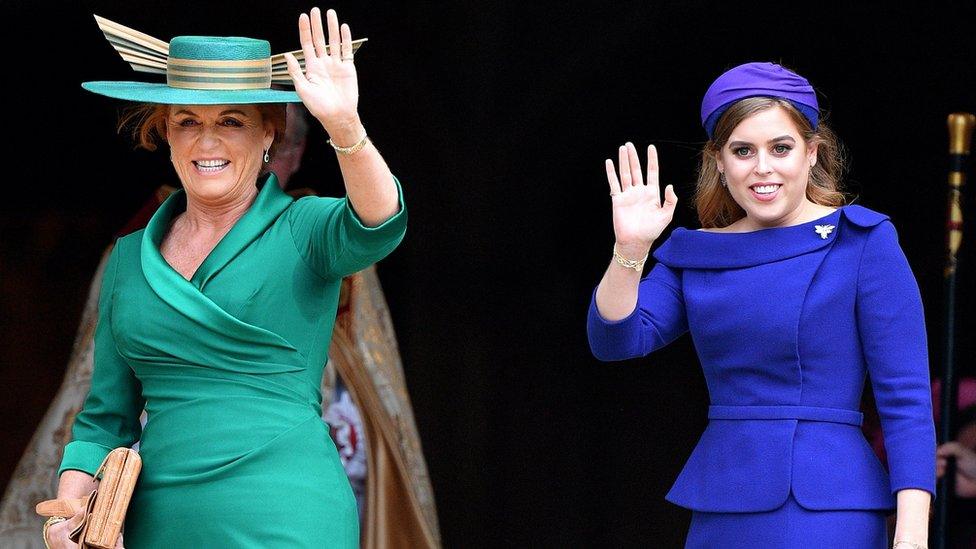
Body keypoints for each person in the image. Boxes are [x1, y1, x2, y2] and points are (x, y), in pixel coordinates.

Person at [44, 7, 406, 548]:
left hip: (289, 513)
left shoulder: (303, 229)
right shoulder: (128, 259)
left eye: (230, 121)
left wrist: (345, 127)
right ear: (166, 135)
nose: (206, 140)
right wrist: (66, 518)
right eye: (188, 120)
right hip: (161, 522)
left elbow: (379, 222)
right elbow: (103, 420)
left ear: (268, 137)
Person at [587, 61, 936, 548]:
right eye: (743, 150)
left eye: (781, 148)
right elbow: (615, 340)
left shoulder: (862, 242)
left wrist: (913, 533)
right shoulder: (698, 251)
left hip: (828, 507)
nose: (763, 167)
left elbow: (906, 400)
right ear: (719, 160)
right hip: (722, 500)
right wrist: (630, 249)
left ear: (812, 152)